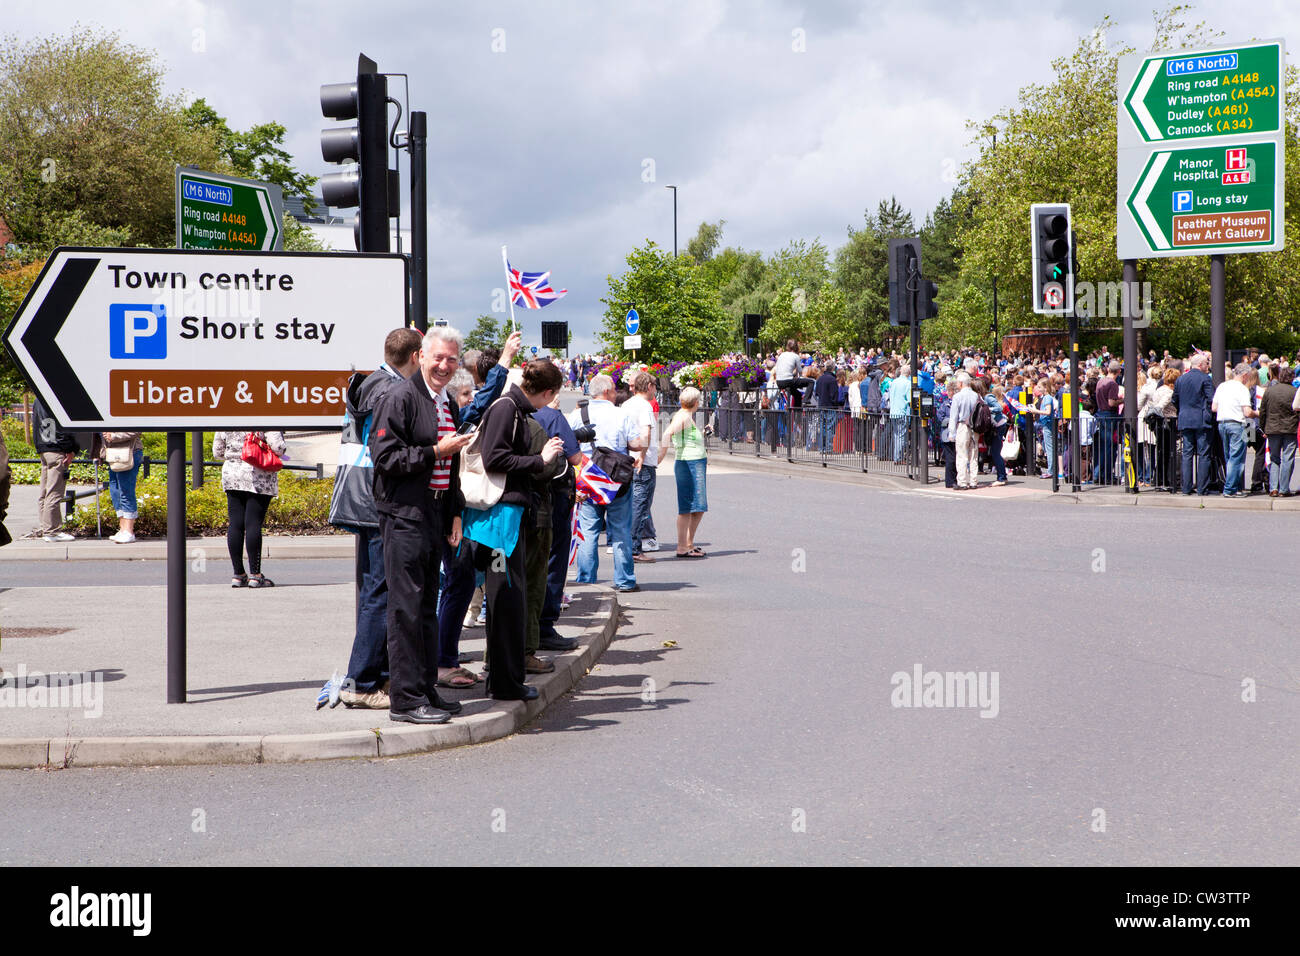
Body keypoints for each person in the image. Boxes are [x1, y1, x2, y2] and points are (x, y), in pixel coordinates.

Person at [370, 325, 474, 725]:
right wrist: (435, 450)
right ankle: (406, 699)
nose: (445, 365)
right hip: (404, 516)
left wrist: (455, 512)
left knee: (427, 606)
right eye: (438, 358)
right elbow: (386, 460)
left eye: (452, 358)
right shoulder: (399, 397)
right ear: (420, 357)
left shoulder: (446, 402)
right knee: (407, 610)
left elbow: (453, 468)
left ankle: (426, 688)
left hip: (435, 515)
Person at [321, 327, 423, 710]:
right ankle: (362, 682)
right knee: (381, 593)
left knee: (372, 591)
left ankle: (371, 675)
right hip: (377, 499)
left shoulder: (370, 383)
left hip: (358, 495)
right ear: (415, 357)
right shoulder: (391, 390)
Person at [471, 358, 566, 701]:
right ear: (547, 392)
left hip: (509, 515)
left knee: (508, 600)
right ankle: (503, 682)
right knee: (504, 600)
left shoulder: (512, 407)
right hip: (500, 517)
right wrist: (540, 460)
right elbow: (494, 458)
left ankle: (505, 679)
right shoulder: (507, 408)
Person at [568, 374, 644, 592]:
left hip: (588, 480)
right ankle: (625, 580)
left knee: (588, 532)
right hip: (616, 480)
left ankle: (587, 581)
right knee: (620, 531)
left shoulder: (577, 415)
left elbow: (567, 446)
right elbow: (635, 444)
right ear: (609, 391)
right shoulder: (621, 415)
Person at [212, 429, 287, 588]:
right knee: (253, 524)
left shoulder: (227, 418)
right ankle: (255, 575)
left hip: (232, 474)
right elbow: (278, 447)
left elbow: (217, 451)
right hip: (257, 473)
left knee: (235, 524)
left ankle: (238, 574)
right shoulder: (263, 415)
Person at [660, 386, 708, 557]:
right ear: (696, 402)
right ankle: (683, 545)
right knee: (688, 505)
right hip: (690, 463)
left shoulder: (685, 416)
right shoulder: (684, 417)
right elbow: (667, 434)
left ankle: (688, 543)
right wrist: (661, 456)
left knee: (697, 506)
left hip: (692, 461)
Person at [624, 372, 660, 562]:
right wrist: (643, 455)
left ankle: (629, 545)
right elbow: (645, 434)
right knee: (641, 504)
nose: (655, 388)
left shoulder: (627, 405)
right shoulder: (645, 406)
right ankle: (635, 548)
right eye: (654, 385)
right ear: (648, 386)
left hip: (629, 460)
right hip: (642, 463)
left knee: (632, 504)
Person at [32, 395, 78, 542]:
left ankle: (45, 527)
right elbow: (63, 427)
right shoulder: (55, 397)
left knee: (44, 493)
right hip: (57, 449)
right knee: (55, 492)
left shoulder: (38, 399)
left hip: (44, 448)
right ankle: (52, 531)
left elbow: (38, 424)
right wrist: (70, 448)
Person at [1172, 352, 1216, 496]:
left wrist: (1182, 410)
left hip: (1185, 418)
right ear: (1200, 365)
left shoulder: (1181, 379)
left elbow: (1175, 399)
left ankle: (1186, 487)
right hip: (1202, 420)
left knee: (1187, 454)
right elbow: (1211, 399)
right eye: (1207, 364)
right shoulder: (1205, 379)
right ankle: (1202, 488)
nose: (1208, 366)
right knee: (1203, 454)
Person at [1212, 363, 1256, 498]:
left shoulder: (1222, 386)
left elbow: (1214, 407)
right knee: (1236, 458)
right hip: (1239, 424)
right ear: (1244, 375)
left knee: (1229, 457)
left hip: (1223, 423)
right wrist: (1258, 413)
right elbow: (1247, 412)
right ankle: (1230, 489)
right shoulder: (1242, 389)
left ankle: (1235, 487)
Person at [1259, 361, 1298, 497]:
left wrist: (1263, 428)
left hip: (1272, 428)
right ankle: (1284, 488)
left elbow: (1263, 411)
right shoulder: (1294, 392)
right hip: (1290, 429)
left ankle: (1273, 488)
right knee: (1288, 458)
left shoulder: (1270, 391)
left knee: (1274, 458)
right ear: (1292, 378)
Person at [99, 430, 143, 542]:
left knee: (126, 490)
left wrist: (114, 436)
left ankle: (129, 531)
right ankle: (123, 529)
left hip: (129, 452)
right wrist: (97, 453)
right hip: (112, 454)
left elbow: (137, 430)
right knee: (115, 491)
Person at [949, 373, 978, 489]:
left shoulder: (957, 397)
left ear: (961, 383)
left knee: (962, 455)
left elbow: (953, 416)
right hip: (975, 427)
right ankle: (973, 481)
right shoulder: (976, 396)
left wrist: (952, 433)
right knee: (973, 455)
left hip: (962, 426)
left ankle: (962, 481)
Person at [772, 339, 815, 408]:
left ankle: (796, 412)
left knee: (797, 395)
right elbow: (801, 372)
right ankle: (806, 401)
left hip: (779, 381)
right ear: (796, 347)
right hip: (788, 381)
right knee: (811, 382)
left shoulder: (781, 355)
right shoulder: (795, 356)